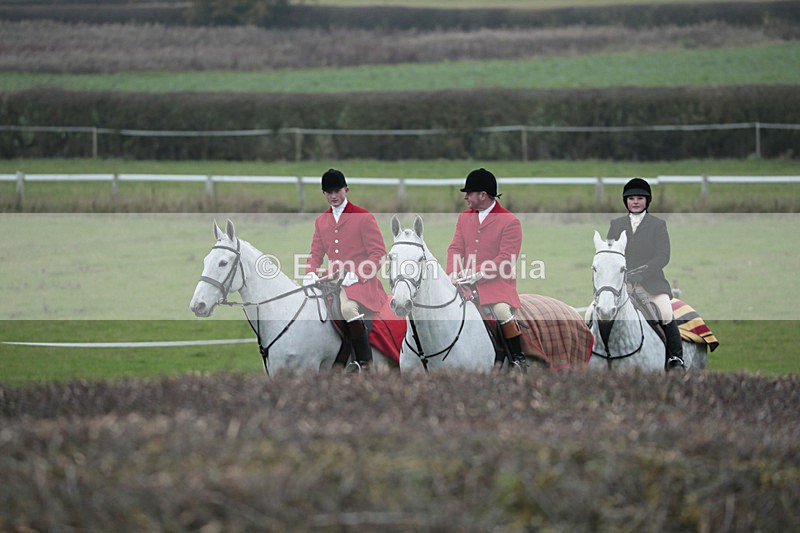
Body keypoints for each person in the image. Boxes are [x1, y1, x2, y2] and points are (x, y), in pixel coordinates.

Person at [302, 168, 388, 372]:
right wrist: (310, 273)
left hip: (359, 284)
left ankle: (366, 363)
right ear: (324, 194)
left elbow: (379, 254)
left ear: (346, 190)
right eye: (328, 193)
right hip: (331, 281)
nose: (333, 196)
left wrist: (357, 275)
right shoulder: (321, 221)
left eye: (337, 191)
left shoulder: (364, 217)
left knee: (348, 309)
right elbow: (315, 254)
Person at [445, 168, 526, 372]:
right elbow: (455, 248)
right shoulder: (464, 218)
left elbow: (506, 258)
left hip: (497, 284)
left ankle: (518, 358)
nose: (465, 198)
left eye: (469, 193)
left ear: (483, 195)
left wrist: (479, 273)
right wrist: (453, 272)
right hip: (465, 282)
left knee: (500, 311)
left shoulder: (510, 221)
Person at [607, 177, 686, 371]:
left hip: (652, 283)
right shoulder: (616, 224)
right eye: (631, 198)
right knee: (594, 311)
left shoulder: (657, 225)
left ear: (647, 201)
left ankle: (675, 358)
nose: (635, 201)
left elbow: (663, 256)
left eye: (640, 198)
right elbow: (609, 254)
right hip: (620, 284)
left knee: (666, 313)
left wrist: (644, 272)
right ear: (625, 201)